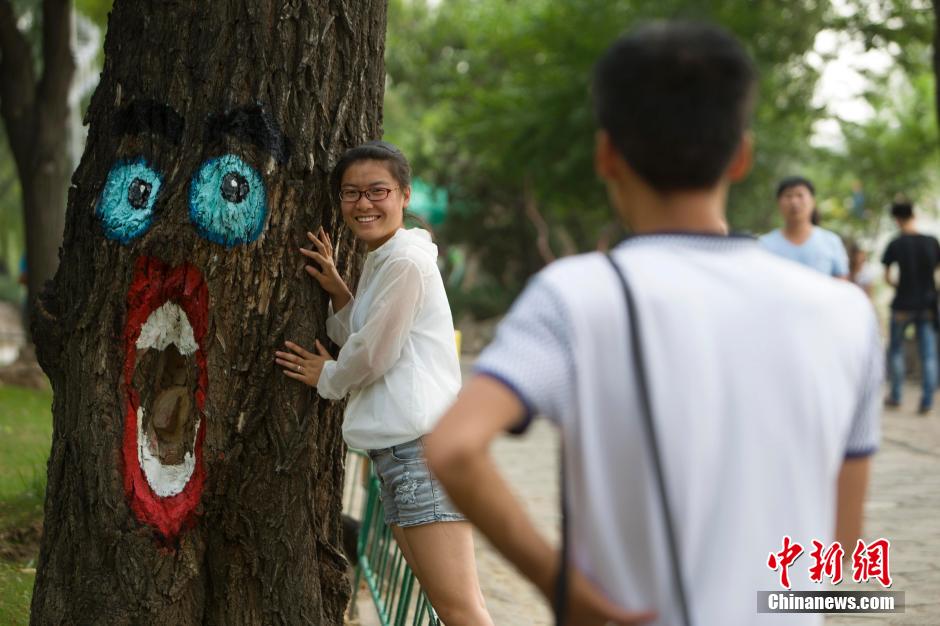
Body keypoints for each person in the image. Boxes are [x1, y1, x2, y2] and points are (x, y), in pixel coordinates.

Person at [425, 22, 881, 626]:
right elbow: (842, 556)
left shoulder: (577, 296)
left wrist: (560, 587)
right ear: (741, 156)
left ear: (606, 154)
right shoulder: (846, 314)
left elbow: (454, 447)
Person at [275, 140, 492, 625]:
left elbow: (373, 353)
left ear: (405, 195)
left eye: (378, 190)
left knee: (461, 608)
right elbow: (370, 333)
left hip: (423, 453)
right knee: (449, 606)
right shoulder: (385, 258)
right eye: (351, 193)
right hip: (403, 454)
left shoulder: (405, 262)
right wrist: (336, 287)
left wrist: (326, 376)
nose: (363, 204)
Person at [882, 198, 940, 414]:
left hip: (902, 304)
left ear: (896, 219)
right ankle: (926, 401)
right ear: (913, 214)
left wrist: (900, 286)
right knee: (929, 354)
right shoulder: (931, 241)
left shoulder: (896, 243)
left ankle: (896, 396)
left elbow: (887, 277)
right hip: (927, 304)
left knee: (896, 350)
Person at [759, 176, 849, 278]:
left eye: (800, 195)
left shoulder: (831, 241)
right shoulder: (764, 245)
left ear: (813, 201)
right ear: (778, 203)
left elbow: (841, 284)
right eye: (788, 196)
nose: (794, 202)